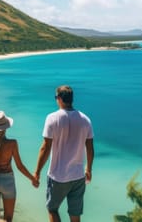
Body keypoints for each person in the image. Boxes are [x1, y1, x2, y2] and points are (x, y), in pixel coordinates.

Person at [34, 85, 94, 222]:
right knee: (75, 214)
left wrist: (37, 172)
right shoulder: (85, 120)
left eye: (56, 98)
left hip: (58, 176)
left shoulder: (52, 118)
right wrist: (88, 169)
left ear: (59, 99)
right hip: (78, 176)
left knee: (52, 209)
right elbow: (90, 148)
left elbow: (45, 148)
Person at [0, 110, 39, 222]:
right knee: (8, 218)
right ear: (5, 128)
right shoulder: (12, 143)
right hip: (8, 181)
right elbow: (20, 166)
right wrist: (33, 179)